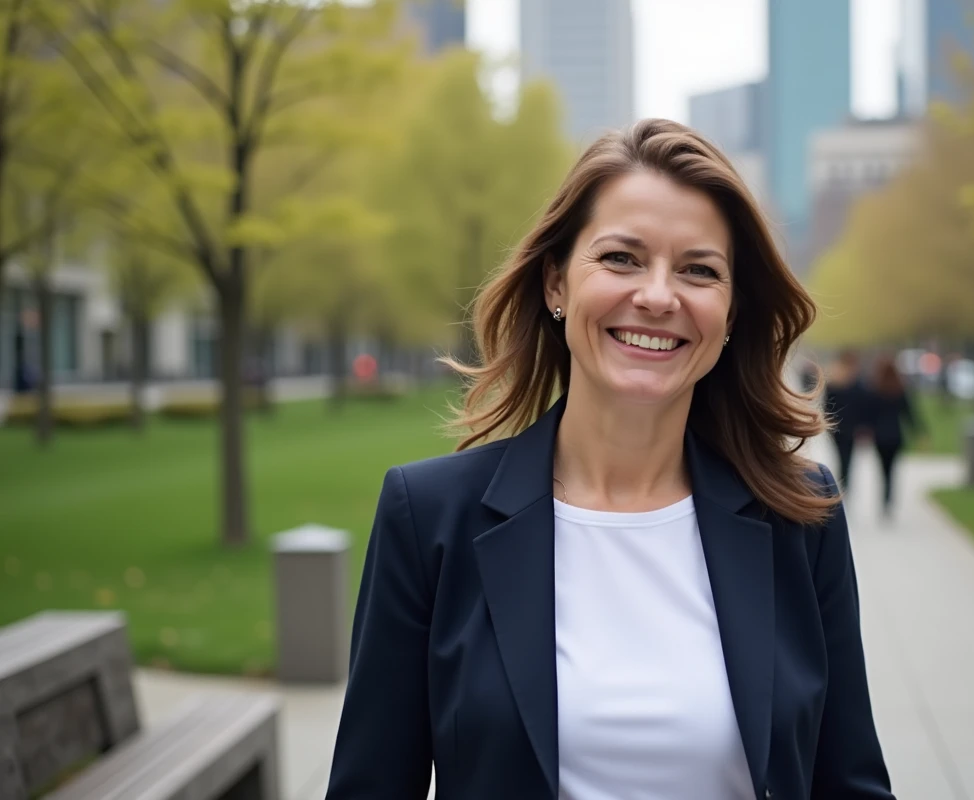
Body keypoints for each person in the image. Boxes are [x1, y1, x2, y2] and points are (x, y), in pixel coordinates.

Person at [325, 119, 894, 800]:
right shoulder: (429, 518)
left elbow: (850, 783)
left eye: (698, 270)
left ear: (732, 311)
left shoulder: (799, 516)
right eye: (622, 258)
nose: (658, 296)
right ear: (556, 285)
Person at [865, 354, 925, 519]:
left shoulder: (874, 389)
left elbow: (868, 414)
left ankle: (884, 499)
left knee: (882, 469)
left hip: (879, 436)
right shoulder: (900, 389)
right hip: (896, 435)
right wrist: (920, 432)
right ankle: (889, 499)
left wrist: (865, 430)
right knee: (892, 470)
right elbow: (909, 413)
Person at [823, 349, 868, 492]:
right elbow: (862, 407)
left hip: (837, 425)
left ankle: (843, 482)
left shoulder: (834, 382)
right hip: (851, 426)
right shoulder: (857, 383)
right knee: (847, 456)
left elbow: (828, 406)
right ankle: (845, 482)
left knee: (841, 456)